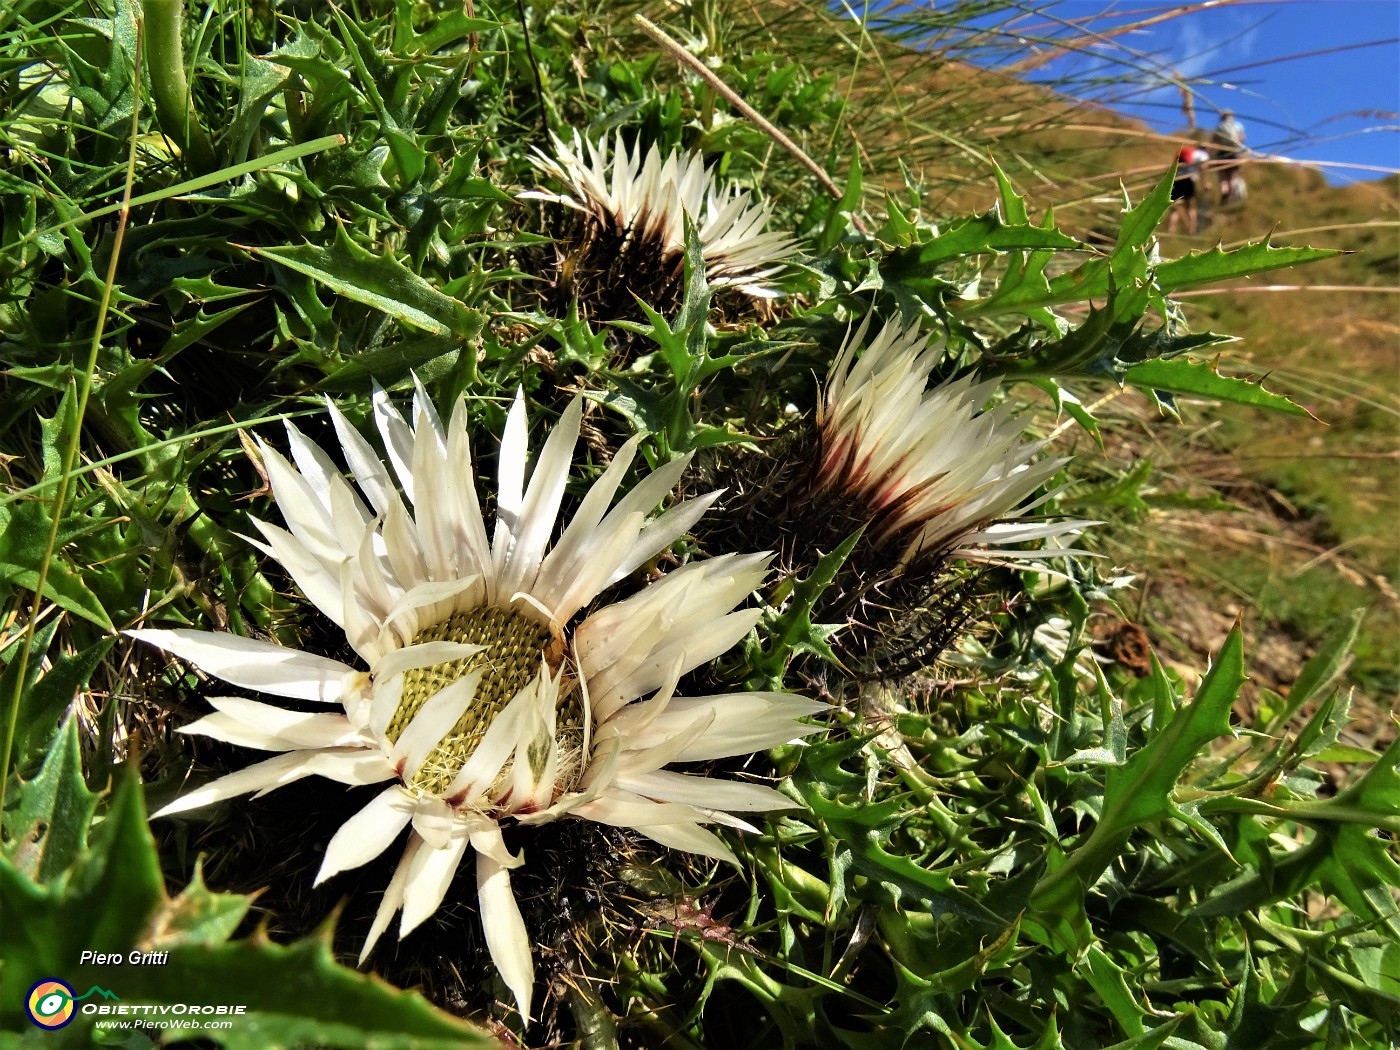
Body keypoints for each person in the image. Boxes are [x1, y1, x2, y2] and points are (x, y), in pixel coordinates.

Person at [1168, 142, 1207, 233]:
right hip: (1188, 179)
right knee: (1191, 206)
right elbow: (1203, 166)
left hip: (1177, 178)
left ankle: (1171, 230)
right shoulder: (1202, 154)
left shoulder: (1189, 152)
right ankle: (1191, 230)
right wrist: (1204, 183)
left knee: (1175, 205)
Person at [1212, 110, 1246, 205]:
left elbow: (1214, 141)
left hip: (1222, 153)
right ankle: (1232, 198)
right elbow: (1242, 139)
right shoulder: (1237, 126)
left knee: (1223, 176)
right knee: (1232, 177)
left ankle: (1224, 193)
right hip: (1233, 153)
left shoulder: (1219, 127)